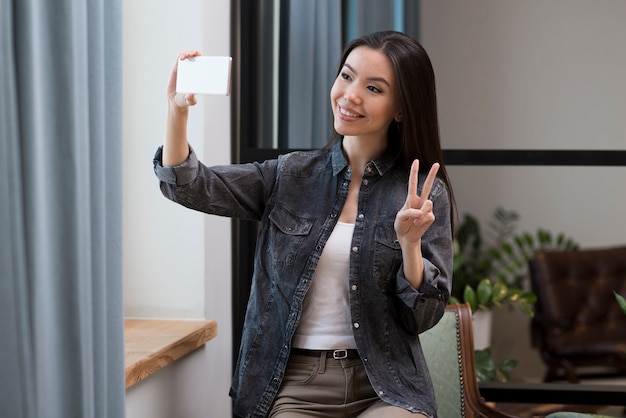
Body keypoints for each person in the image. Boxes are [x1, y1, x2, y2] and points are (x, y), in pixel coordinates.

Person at [154, 31, 455, 418]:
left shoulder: (423, 196)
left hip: (385, 385)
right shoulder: (290, 175)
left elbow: (423, 317)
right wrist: (177, 110)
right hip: (294, 385)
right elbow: (190, 186)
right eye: (346, 77)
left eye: (374, 88)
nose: (350, 95)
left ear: (401, 109)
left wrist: (410, 246)